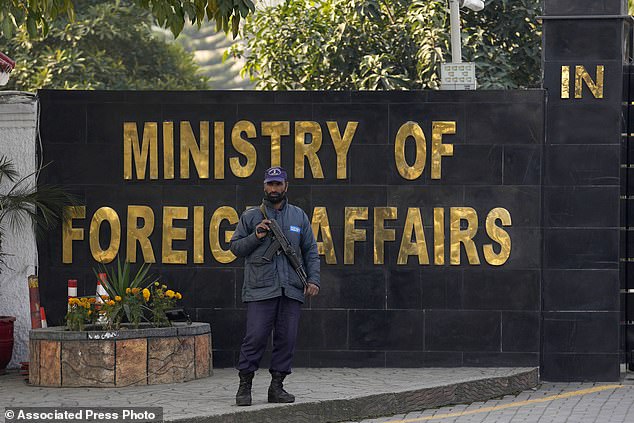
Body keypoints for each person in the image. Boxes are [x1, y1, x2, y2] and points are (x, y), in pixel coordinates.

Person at [230, 166, 320, 406]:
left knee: (286, 339)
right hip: (261, 288)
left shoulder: (298, 216)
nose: (274, 189)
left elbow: (310, 250)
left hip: (290, 288)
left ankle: (277, 388)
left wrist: (313, 279)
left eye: (278, 184)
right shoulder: (251, 216)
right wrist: (256, 236)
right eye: (270, 184)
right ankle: (244, 386)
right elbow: (235, 248)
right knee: (255, 337)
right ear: (264, 186)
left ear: (286, 186)